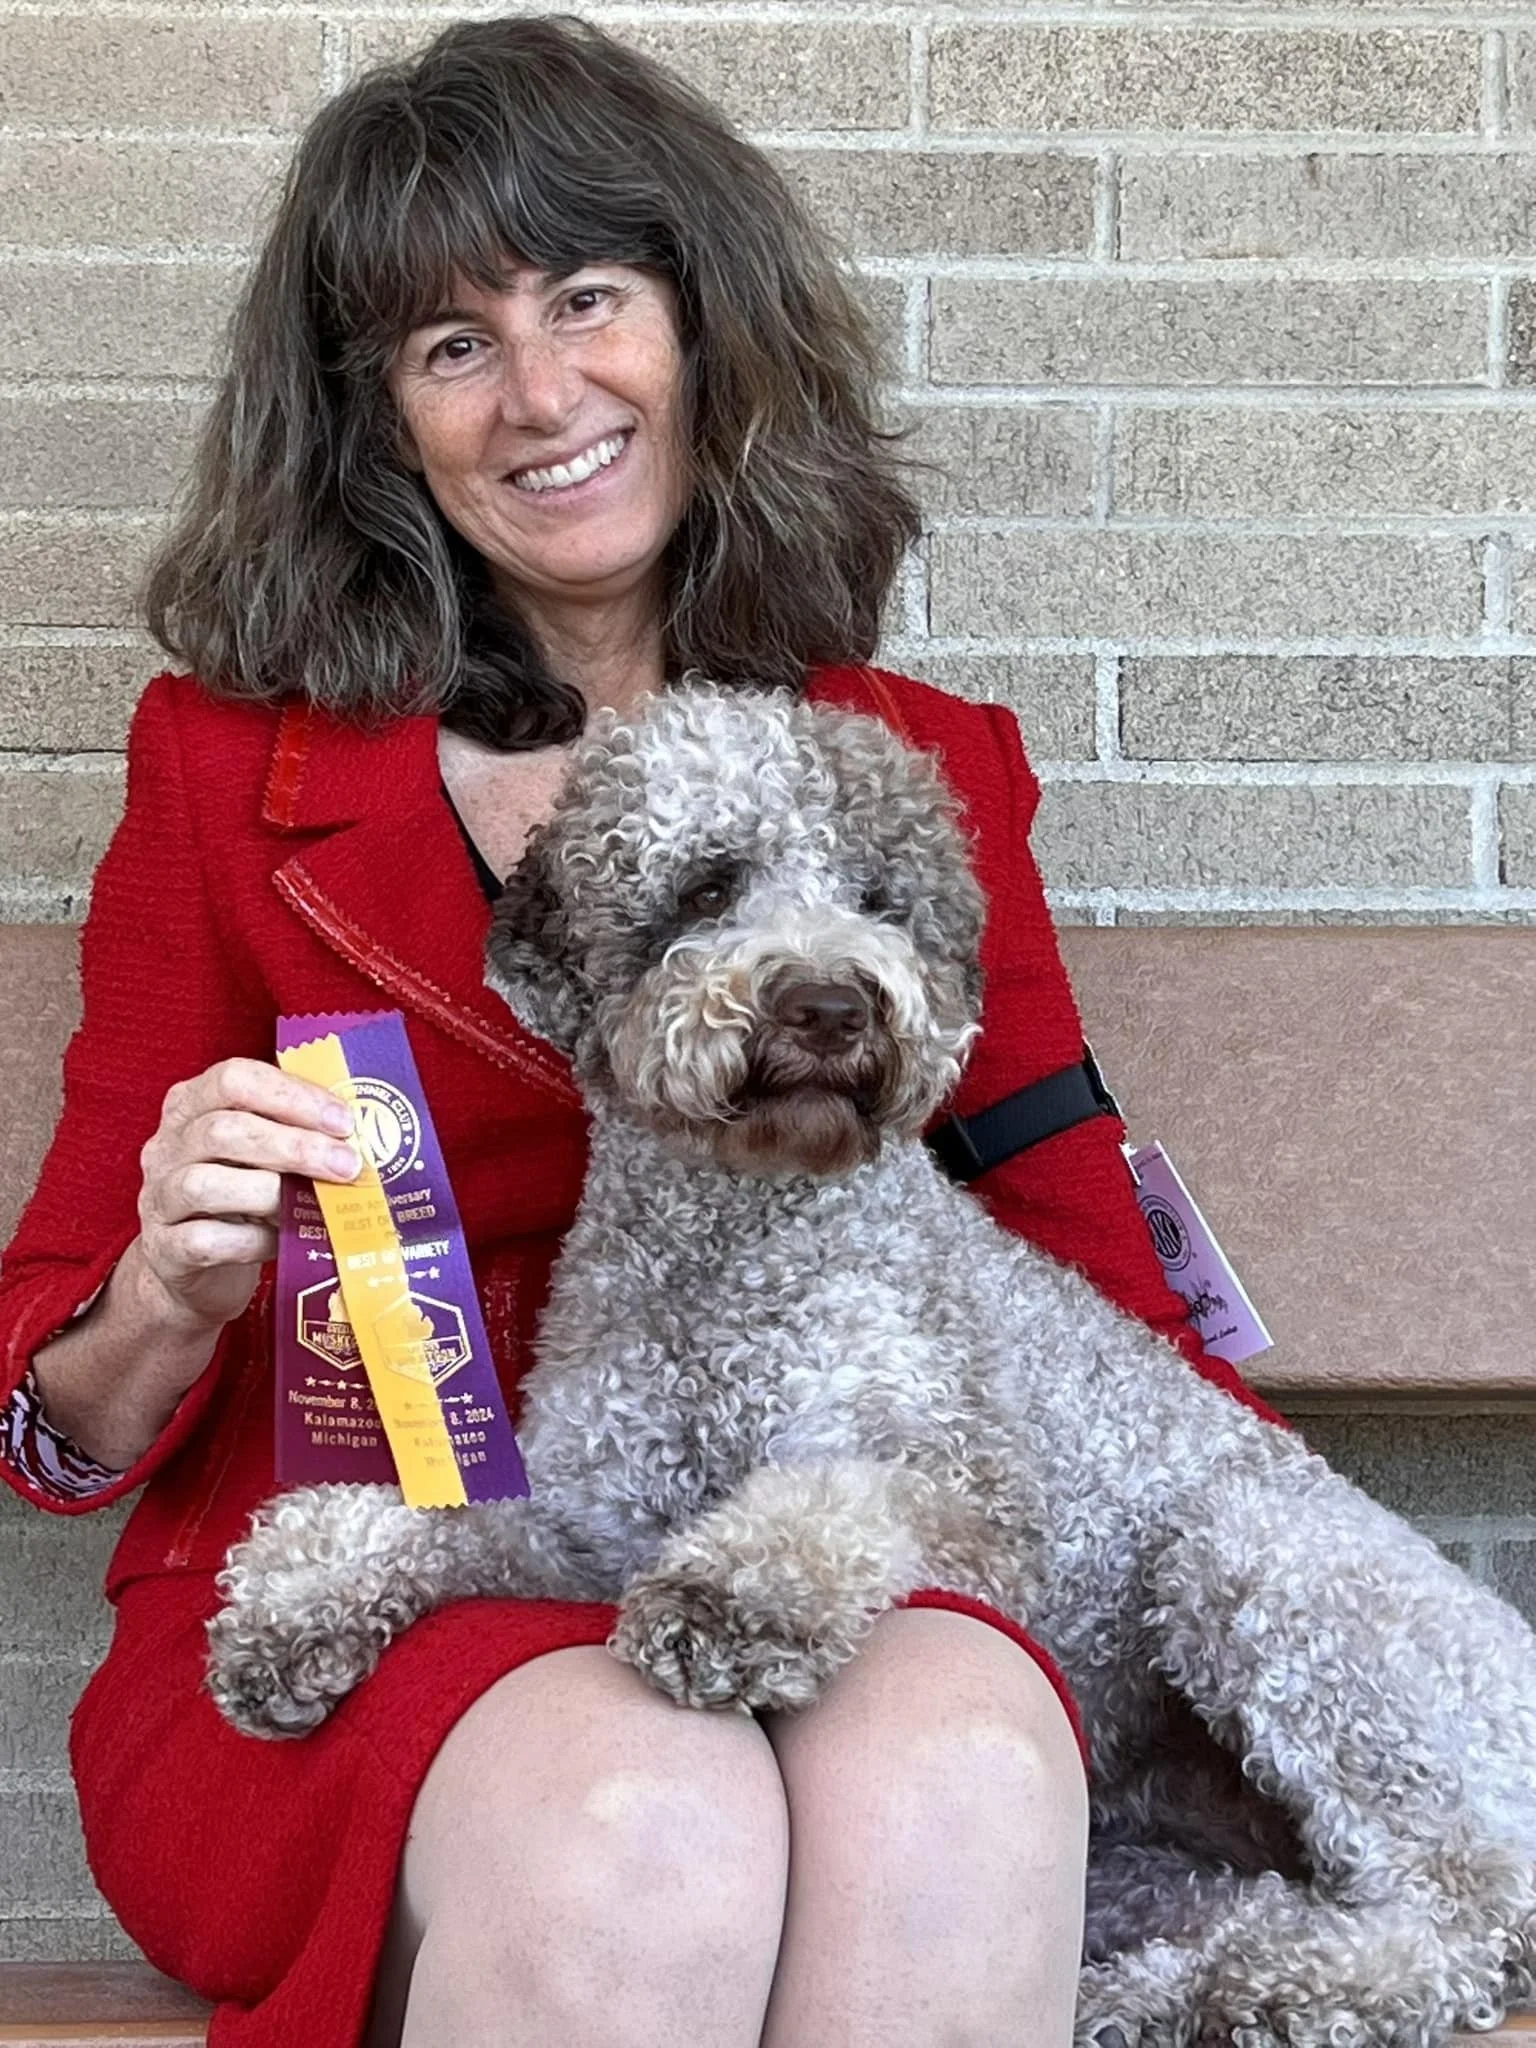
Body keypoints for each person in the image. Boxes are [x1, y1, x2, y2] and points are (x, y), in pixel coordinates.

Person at [0, 18, 1279, 2047]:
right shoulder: (225, 774)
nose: (541, 393)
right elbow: (51, 1424)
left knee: (950, 1780)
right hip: (380, 1590)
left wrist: (1284, 1623)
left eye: (587, 298)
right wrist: (168, 1282)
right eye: (449, 345)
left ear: (700, 327)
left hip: (810, 1526)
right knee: (648, 1809)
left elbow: (1082, 1257)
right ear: (375, 422)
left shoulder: (909, 776)